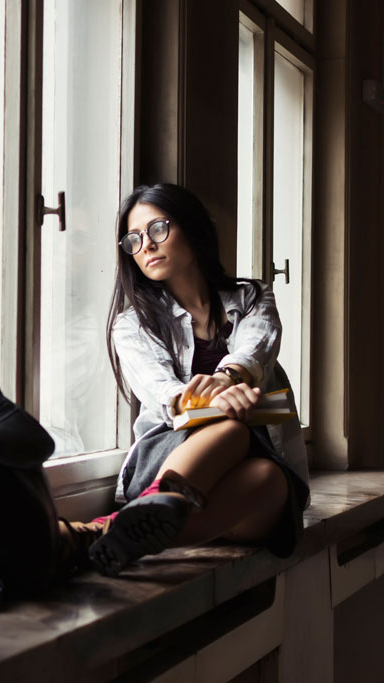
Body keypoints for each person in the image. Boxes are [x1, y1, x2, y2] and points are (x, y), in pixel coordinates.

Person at [58, 183, 310, 577]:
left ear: (192, 228)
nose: (147, 246)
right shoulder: (132, 324)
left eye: (158, 229)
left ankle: (101, 534)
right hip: (171, 456)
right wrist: (208, 401)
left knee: (272, 479)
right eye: (134, 239)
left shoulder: (251, 296)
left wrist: (229, 377)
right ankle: (152, 505)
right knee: (231, 429)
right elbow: (161, 390)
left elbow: (257, 346)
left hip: (238, 487)